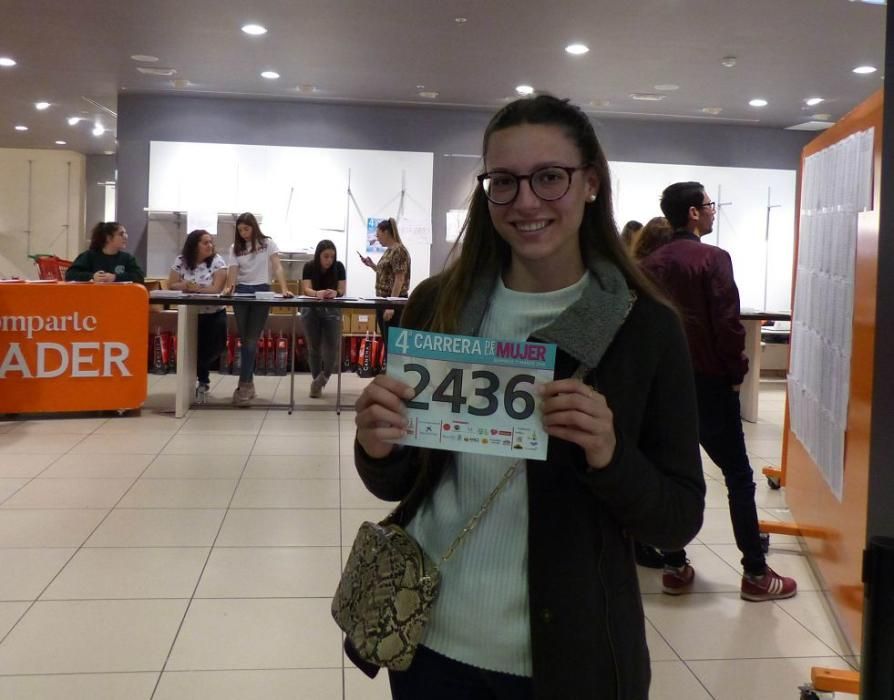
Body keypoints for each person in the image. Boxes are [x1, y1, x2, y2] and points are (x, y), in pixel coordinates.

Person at [351, 95, 705, 699]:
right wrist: (377, 445)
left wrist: (610, 456)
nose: (527, 202)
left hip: (569, 659)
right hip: (427, 645)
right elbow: (402, 481)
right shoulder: (441, 304)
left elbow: (677, 518)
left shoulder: (644, 327)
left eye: (550, 178)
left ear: (590, 182)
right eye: (504, 183)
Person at [641, 181, 798, 602]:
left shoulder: (648, 264)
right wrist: (735, 372)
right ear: (693, 213)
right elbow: (726, 324)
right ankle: (755, 573)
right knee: (738, 476)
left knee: (671, 473)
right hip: (709, 383)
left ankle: (674, 564)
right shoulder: (712, 259)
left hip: (662, 388)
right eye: (710, 205)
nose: (713, 212)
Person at [224, 212, 293, 406]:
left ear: (254, 227)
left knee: (251, 340)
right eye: (240, 230)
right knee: (245, 340)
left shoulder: (267, 243)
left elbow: (277, 267)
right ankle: (248, 385)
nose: (243, 233)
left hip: (262, 290)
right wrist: (229, 288)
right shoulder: (235, 248)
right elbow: (233, 271)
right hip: (242, 292)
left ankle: (244, 385)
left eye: (246, 229)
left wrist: (284, 288)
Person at [168, 229, 228, 403]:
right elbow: (171, 284)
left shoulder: (217, 261)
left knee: (213, 348)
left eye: (211, 242)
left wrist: (197, 289)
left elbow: (216, 288)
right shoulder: (181, 261)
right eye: (205, 242)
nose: (210, 246)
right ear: (194, 245)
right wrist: (184, 285)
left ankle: (202, 377)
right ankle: (199, 382)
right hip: (190, 314)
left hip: (213, 313)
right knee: (192, 350)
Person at [301, 239, 346, 398]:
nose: (329, 260)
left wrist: (336, 293)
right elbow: (306, 289)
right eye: (326, 256)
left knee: (332, 347)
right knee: (314, 347)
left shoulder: (339, 267)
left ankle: (323, 377)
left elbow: (342, 289)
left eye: (332, 257)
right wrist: (316, 293)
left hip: (332, 308)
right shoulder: (309, 266)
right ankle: (316, 382)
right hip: (311, 308)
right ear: (318, 255)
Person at [358, 217, 410, 345]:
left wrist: (391, 305)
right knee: (387, 342)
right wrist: (372, 265)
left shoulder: (398, 250)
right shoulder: (389, 251)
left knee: (392, 344)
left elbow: (399, 278)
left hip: (392, 302)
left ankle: (393, 365)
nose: (377, 238)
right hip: (384, 301)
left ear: (386, 232)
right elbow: (387, 275)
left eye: (378, 235)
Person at [65, 221, 144, 283]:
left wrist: (115, 277)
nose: (126, 237)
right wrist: (92, 276)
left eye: (126, 233)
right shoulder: (89, 256)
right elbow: (70, 275)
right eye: (121, 234)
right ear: (108, 238)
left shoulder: (127, 258)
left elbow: (139, 276)